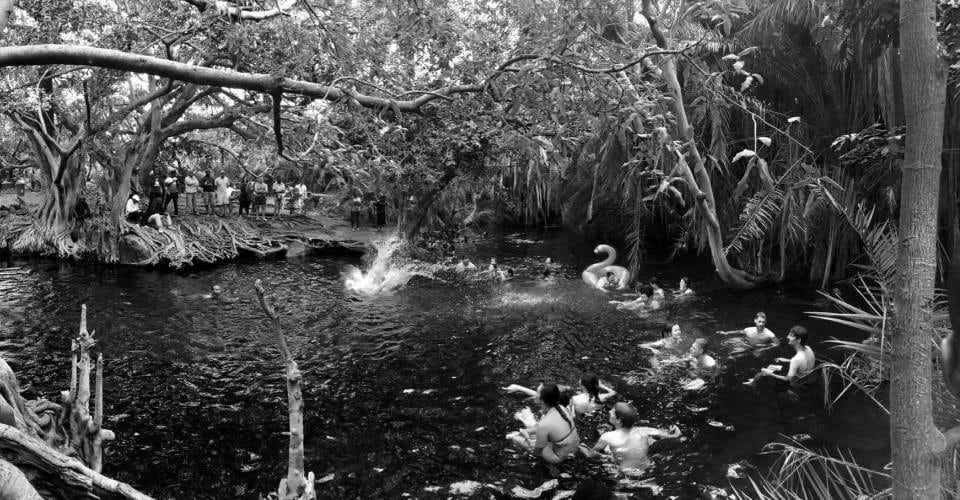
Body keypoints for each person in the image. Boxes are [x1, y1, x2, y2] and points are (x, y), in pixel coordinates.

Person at [580, 402, 681, 474]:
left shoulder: (608, 436)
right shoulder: (645, 430)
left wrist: (579, 447)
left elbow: (592, 454)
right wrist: (676, 431)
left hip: (625, 472)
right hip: (647, 467)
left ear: (618, 420)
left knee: (587, 448)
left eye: (613, 411)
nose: (610, 411)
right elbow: (675, 435)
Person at [506, 383, 580, 464]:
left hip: (558, 457)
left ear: (542, 400)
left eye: (537, 393)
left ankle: (521, 459)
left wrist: (527, 439)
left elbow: (537, 451)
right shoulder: (562, 408)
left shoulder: (544, 423)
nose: (535, 394)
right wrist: (528, 431)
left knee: (515, 438)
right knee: (530, 433)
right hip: (574, 447)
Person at [744, 326, 816, 386]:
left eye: (791, 335)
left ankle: (753, 383)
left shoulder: (796, 359)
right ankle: (754, 380)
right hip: (806, 375)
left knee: (766, 371)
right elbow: (803, 361)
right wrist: (787, 360)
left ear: (799, 340)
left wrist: (771, 375)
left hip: (796, 380)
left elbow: (788, 379)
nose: (787, 337)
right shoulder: (808, 348)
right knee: (771, 367)